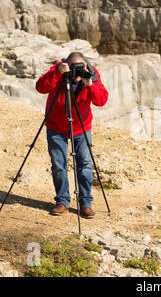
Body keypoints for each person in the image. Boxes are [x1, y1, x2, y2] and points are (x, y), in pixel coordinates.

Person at [35, 52, 109, 219]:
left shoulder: (90, 73)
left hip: (81, 128)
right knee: (58, 164)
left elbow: (102, 100)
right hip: (56, 126)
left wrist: (90, 83)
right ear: (67, 64)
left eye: (80, 68)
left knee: (85, 165)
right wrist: (57, 73)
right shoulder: (58, 70)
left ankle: (86, 204)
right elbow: (40, 87)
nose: (77, 73)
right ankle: (62, 201)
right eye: (74, 68)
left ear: (85, 65)